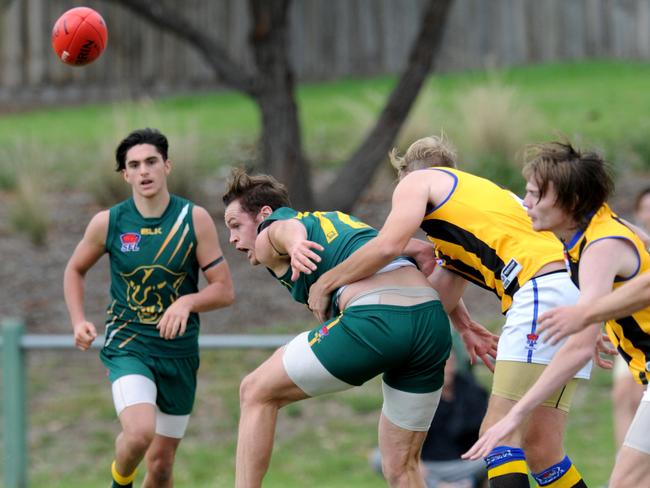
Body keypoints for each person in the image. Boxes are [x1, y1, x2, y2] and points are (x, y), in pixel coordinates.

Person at [307, 135, 594, 488]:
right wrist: (467, 324)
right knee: (542, 450)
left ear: (406, 174)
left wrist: (326, 284)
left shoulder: (416, 180)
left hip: (539, 291)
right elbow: (435, 299)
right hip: (571, 292)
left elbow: (388, 244)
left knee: (498, 435)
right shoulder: (479, 201)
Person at [221, 168, 496, 488]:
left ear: (264, 214)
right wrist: (463, 325)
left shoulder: (276, 231)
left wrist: (294, 246)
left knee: (254, 391)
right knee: (401, 467)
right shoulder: (338, 222)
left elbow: (283, 230)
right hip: (431, 328)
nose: (232, 238)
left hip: (377, 321)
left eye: (235, 225)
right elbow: (422, 252)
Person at [462, 140, 650, 488]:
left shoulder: (599, 246)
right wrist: (600, 320)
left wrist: (514, 415)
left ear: (572, 201)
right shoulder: (595, 230)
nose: (526, 204)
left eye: (535, 195)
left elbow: (576, 348)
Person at [63, 128, 235, 488]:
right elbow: (75, 270)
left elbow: (224, 291)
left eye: (151, 162)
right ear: (125, 174)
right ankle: (119, 483)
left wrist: (187, 301)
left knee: (160, 466)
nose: (144, 171)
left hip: (179, 353)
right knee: (140, 433)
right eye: (135, 165)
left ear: (167, 166)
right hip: (129, 344)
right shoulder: (110, 222)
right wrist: (78, 320)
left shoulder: (194, 219)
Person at [369, 347, 489, 488]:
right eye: (439, 362)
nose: (444, 367)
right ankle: (444, 485)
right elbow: (397, 436)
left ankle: (463, 482)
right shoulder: (415, 393)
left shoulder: (471, 390)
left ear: (454, 363)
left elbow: (485, 431)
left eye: (448, 362)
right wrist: (415, 460)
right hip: (425, 465)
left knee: (501, 452)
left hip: (464, 463)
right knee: (380, 457)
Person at [611, 188, 650, 450]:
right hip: (634, 337)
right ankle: (624, 459)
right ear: (638, 213)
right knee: (624, 394)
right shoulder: (631, 244)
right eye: (646, 207)